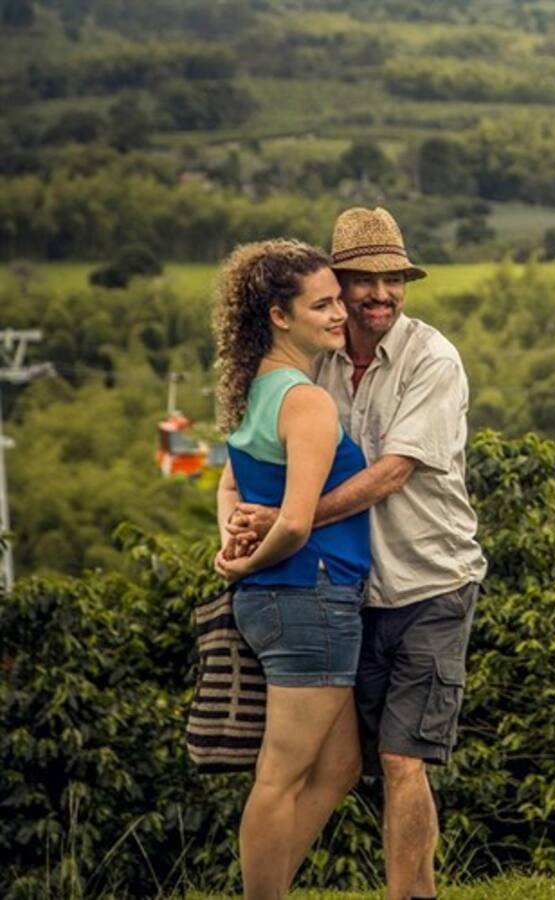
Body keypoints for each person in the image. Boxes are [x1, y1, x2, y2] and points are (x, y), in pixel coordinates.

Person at [227, 208, 487, 900]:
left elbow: (393, 472)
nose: (380, 294)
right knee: (343, 764)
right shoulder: (317, 364)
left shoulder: (432, 358)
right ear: (337, 287)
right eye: (363, 281)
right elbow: (258, 458)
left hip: (431, 581)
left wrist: (285, 522)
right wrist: (243, 524)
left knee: (402, 760)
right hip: (352, 592)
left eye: (393, 279)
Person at [211, 239, 372, 900]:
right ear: (280, 316)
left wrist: (231, 544)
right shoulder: (306, 402)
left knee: (340, 766)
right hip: (311, 596)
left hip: (280, 598)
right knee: (279, 777)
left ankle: (270, 885)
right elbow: (298, 522)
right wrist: (242, 561)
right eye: (322, 305)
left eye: (338, 301)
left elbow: (229, 486)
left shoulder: (255, 390)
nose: (340, 314)